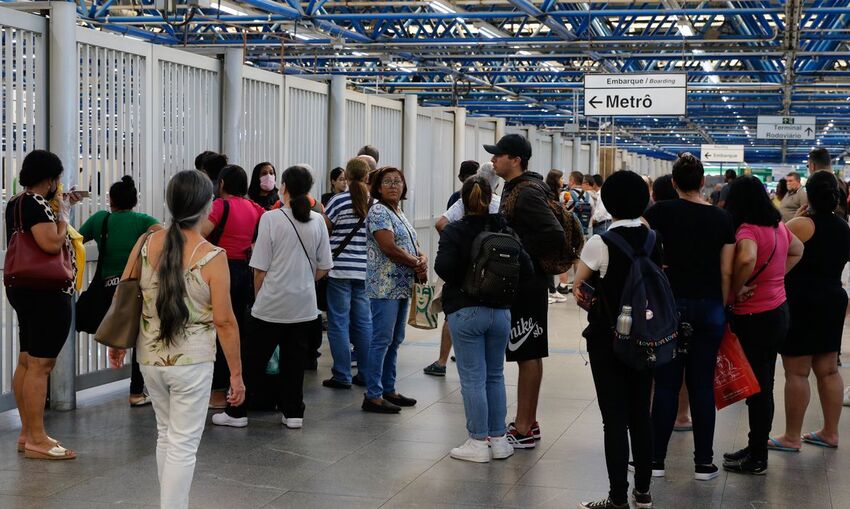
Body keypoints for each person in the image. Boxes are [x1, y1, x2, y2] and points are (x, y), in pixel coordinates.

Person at [109, 170, 245, 508]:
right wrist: (237, 375)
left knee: (166, 436)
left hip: (151, 360)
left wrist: (117, 343)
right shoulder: (212, 256)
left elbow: (123, 294)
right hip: (192, 363)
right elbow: (225, 321)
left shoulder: (146, 242)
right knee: (183, 444)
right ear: (207, 205)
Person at [213, 165, 331, 429]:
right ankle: (293, 413)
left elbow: (259, 269)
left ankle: (237, 412)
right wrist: (302, 281)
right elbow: (324, 266)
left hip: (271, 304)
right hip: (303, 305)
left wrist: (258, 299)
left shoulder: (271, 219)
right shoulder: (318, 221)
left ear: (284, 187)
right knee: (295, 361)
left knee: (253, 359)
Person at [643, 154, 736, 481]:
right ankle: (703, 463)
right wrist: (721, 305)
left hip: (670, 306)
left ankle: (655, 461)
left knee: (667, 384)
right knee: (701, 385)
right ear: (702, 182)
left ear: (673, 183)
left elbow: (645, 254)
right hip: (710, 305)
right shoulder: (722, 219)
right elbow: (727, 268)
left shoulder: (658, 212)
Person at [573, 170, 658, 509]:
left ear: (607, 202)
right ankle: (644, 492)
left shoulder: (600, 242)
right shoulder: (655, 239)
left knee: (615, 419)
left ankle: (617, 498)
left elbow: (580, 288)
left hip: (609, 339)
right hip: (648, 336)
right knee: (641, 414)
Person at [434, 176, 533, 463]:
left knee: (473, 379)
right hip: (500, 312)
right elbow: (525, 268)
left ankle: (478, 442)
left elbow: (445, 269)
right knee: (495, 375)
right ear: (491, 199)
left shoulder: (455, 231)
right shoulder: (506, 230)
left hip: (466, 312)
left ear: (462, 201)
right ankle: (499, 440)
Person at [722, 175, 804, 475]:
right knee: (763, 385)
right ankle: (755, 446)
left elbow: (746, 258)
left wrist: (740, 285)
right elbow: (799, 250)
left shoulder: (747, 230)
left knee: (758, 389)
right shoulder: (778, 226)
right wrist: (775, 278)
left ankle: (758, 456)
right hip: (778, 310)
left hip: (755, 316)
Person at [488, 134, 565, 448]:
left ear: (515, 159)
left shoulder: (525, 193)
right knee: (526, 352)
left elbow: (554, 233)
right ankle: (527, 421)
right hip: (526, 281)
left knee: (527, 351)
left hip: (528, 282)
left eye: (498, 155)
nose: (493, 161)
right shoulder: (520, 188)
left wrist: (520, 255)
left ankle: (523, 428)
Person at [6, 150, 83, 460]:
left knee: (27, 359)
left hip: (24, 287)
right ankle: (37, 438)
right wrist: (63, 215)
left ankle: (28, 433)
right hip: (46, 290)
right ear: (51, 179)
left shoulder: (16, 202)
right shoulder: (36, 204)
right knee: (42, 364)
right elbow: (50, 244)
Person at [771, 171, 849, 450]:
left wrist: (796, 218)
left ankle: (792, 437)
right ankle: (830, 432)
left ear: (809, 195)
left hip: (802, 298)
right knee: (828, 369)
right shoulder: (844, 226)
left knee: (797, 371)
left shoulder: (801, 224)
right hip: (832, 297)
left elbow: (776, 242)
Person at [79, 176, 161, 407]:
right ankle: (136, 392)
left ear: (111, 200)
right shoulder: (143, 220)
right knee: (140, 337)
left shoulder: (100, 220)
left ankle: (115, 347)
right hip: (135, 288)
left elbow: (75, 240)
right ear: (134, 200)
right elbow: (163, 235)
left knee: (115, 328)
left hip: (107, 288)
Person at [425, 162, 502, 376]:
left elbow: (441, 225)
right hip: (493, 286)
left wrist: (455, 243)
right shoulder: (500, 206)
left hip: (462, 287)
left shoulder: (459, 201)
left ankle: (441, 361)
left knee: (453, 316)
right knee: (494, 374)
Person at [362, 166, 426, 413]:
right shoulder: (378, 210)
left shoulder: (398, 211)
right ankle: (373, 394)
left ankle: (389, 388)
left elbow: (412, 242)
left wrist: (421, 257)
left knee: (395, 339)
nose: (393, 186)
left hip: (401, 285)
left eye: (397, 181)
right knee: (381, 339)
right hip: (385, 285)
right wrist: (415, 262)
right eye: (387, 182)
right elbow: (388, 246)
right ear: (377, 187)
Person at [201, 165, 265, 410]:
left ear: (222, 184)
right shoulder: (254, 208)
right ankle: (236, 384)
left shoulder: (220, 206)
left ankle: (217, 393)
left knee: (218, 330)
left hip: (220, 268)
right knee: (236, 329)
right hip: (245, 271)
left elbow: (201, 234)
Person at [322, 158, 373, 389]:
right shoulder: (375, 204)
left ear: (348, 176)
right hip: (364, 271)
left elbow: (324, 230)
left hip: (339, 270)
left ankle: (342, 374)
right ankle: (365, 373)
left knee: (339, 323)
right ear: (367, 177)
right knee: (363, 323)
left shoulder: (338, 200)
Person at [544, 170, 569, 304]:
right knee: (548, 262)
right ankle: (549, 291)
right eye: (561, 178)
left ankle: (552, 290)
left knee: (552, 262)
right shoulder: (549, 193)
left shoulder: (557, 193)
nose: (563, 181)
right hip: (549, 233)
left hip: (555, 231)